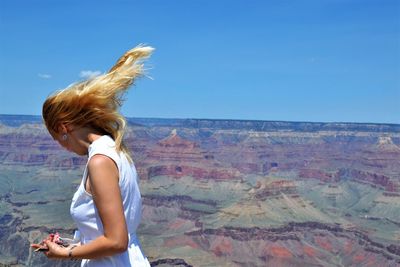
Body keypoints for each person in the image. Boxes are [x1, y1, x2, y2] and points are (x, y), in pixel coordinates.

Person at [32, 45, 154, 266]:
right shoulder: (114, 147)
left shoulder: (100, 161)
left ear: (63, 128)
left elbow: (117, 241)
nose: (62, 147)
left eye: (57, 139)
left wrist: (64, 255)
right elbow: (106, 234)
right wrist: (70, 245)